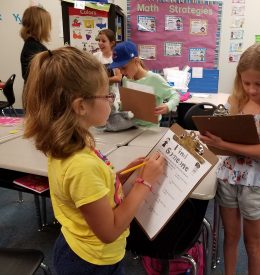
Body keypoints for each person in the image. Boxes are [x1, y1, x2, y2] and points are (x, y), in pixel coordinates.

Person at [23, 46, 165, 275]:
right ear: (80, 106)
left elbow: (93, 191)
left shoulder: (73, 144)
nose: (112, 100)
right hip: (91, 263)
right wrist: (144, 183)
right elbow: (109, 230)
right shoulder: (81, 165)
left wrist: (125, 173)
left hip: (82, 250)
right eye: (107, 95)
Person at [200, 43, 260, 275]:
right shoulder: (236, 101)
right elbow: (228, 137)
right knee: (230, 237)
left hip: (256, 183)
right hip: (228, 178)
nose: (251, 89)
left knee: (252, 244)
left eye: (259, 84)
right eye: (246, 82)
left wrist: (223, 144)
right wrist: (213, 140)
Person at [109, 41, 180, 127]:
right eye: (119, 69)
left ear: (136, 61)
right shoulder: (125, 80)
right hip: (130, 127)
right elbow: (127, 105)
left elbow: (175, 95)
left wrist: (168, 106)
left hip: (150, 130)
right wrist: (116, 104)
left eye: (124, 67)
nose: (122, 72)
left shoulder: (154, 79)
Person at [20, 5, 51, 82]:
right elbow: (38, 75)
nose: (49, 28)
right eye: (47, 24)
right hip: (37, 92)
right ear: (39, 26)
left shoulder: (33, 45)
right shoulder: (33, 46)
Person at [94, 29, 122, 111]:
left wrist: (100, 80)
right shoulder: (95, 56)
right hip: (98, 95)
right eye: (99, 40)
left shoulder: (115, 57)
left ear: (112, 43)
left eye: (103, 41)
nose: (100, 43)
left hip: (113, 97)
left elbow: (118, 78)